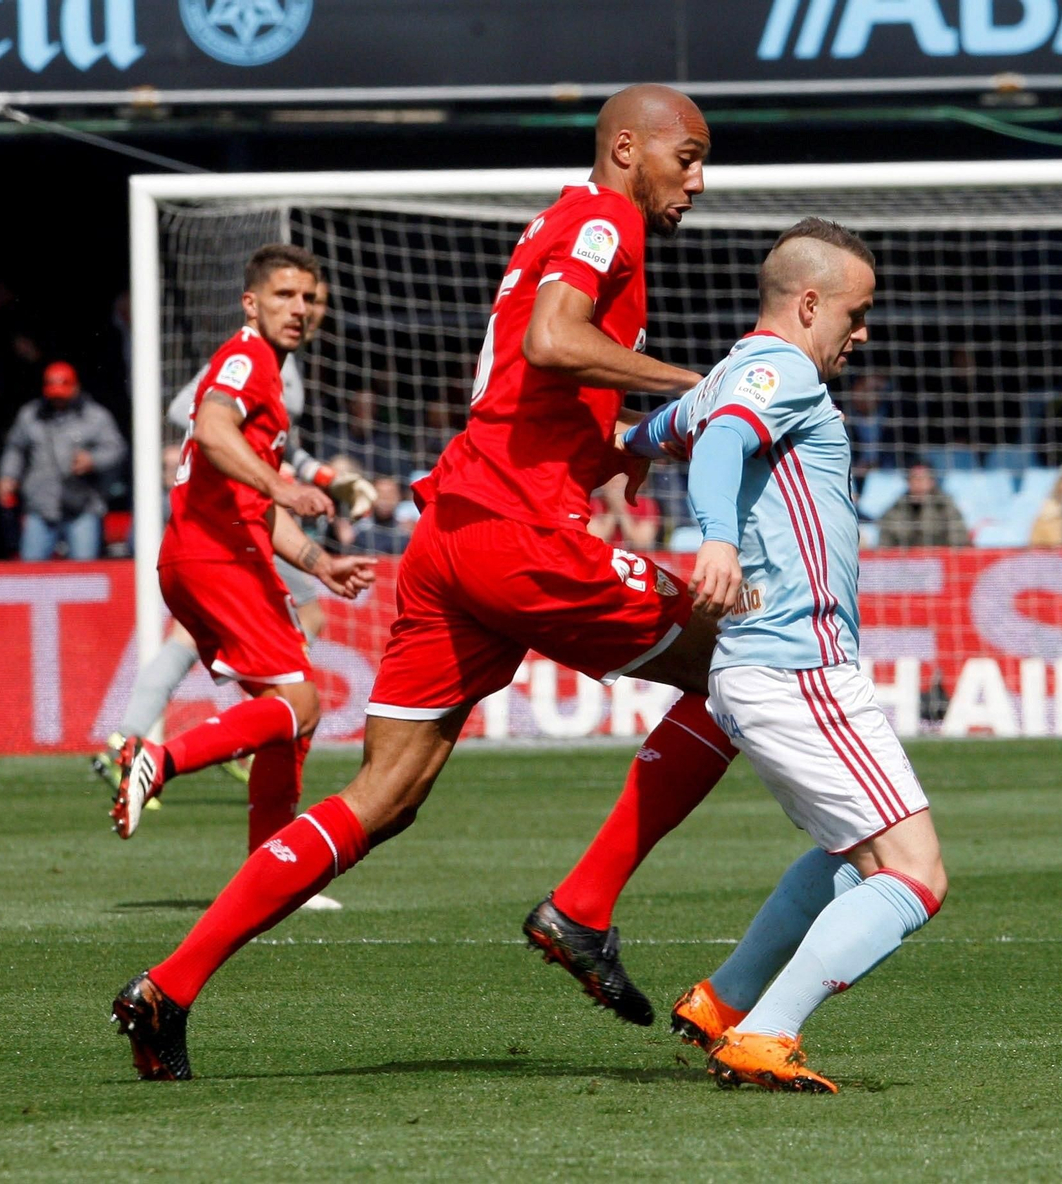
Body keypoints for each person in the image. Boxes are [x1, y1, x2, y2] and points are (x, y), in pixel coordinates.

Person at [110, 84, 724, 1080]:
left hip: (454, 532)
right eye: (686, 157)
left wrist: (606, 449)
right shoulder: (606, 217)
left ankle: (166, 986)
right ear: (626, 148)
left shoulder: (555, 224)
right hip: (520, 537)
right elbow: (552, 342)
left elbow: (525, 384)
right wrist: (697, 381)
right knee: (749, 662)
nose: (696, 181)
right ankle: (587, 905)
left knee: (384, 794)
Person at [625, 218, 944, 1092]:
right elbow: (721, 439)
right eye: (857, 310)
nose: (863, 329)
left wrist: (625, 451)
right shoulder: (784, 371)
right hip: (796, 664)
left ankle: (726, 1002)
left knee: (855, 855)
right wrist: (718, 540)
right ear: (809, 303)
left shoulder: (732, 371)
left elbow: (671, 427)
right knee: (915, 877)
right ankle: (766, 1034)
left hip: (763, 667)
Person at [105, 245, 375, 882]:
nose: (298, 309)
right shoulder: (245, 358)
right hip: (218, 555)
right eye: (284, 295)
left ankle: (270, 877)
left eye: (309, 298)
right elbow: (211, 429)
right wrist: (283, 486)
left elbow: (251, 493)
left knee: (289, 717)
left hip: (214, 552)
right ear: (251, 302)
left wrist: (318, 559)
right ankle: (159, 759)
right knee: (303, 702)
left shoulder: (270, 378)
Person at [0, 362, 127, 560]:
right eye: (54, 396)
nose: (58, 401)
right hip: (40, 506)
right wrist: (7, 475)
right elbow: (15, 449)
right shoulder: (30, 415)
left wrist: (92, 460)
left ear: (75, 388)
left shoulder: (95, 417)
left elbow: (116, 448)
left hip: (82, 505)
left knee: (84, 574)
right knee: (30, 573)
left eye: (62, 396)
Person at [874, 463, 969, 547]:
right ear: (908, 482)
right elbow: (884, 544)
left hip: (939, 562)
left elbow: (958, 540)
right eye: (914, 478)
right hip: (904, 563)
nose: (918, 483)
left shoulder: (945, 506)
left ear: (932, 482)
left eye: (922, 479)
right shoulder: (895, 509)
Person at [587, 471, 661, 548]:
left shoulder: (645, 504)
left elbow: (642, 542)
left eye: (619, 482)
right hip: (604, 556)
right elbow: (596, 539)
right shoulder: (593, 504)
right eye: (612, 483)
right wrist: (612, 510)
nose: (616, 487)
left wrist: (622, 512)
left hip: (634, 556)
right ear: (603, 485)